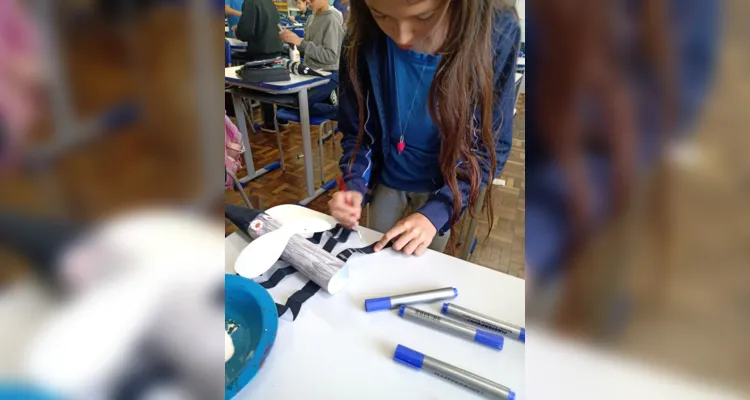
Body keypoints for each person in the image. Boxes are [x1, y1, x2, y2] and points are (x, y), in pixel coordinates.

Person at [329, 0, 520, 255]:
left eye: (424, 17)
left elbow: (489, 146)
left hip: (444, 187)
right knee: (376, 255)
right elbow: (358, 131)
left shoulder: (497, 32)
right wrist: (354, 182)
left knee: (425, 261)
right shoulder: (361, 35)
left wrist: (437, 212)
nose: (401, 37)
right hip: (386, 180)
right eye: (380, 14)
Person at [279, 0, 345, 119]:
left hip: (329, 73)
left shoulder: (332, 19)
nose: (308, 1)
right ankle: (327, 99)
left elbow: (330, 57)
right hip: (310, 72)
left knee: (302, 104)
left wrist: (301, 43)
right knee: (287, 101)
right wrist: (291, 42)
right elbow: (308, 50)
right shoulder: (311, 18)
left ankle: (346, 114)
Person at [236, 0, 288, 131]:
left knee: (264, 87)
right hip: (276, 47)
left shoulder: (250, 3)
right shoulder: (269, 2)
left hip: (261, 50)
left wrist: (237, 31)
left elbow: (246, 31)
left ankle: (269, 123)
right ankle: (283, 118)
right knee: (277, 83)